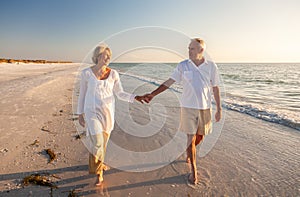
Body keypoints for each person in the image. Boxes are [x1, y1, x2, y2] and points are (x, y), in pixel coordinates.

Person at [142, 38, 222, 185]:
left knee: (201, 137)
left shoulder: (211, 66)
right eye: (189, 48)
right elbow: (169, 82)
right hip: (188, 107)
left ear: (201, 50)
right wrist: (153, 94)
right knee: (190, 139)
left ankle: (189, 153)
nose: (189, 51)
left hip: (205, 108)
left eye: (192, 48)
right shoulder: (183, 65)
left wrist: (219, 108)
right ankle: (193, 170)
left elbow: (215, 87)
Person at [77, 44, 144, 186]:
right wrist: (80, 113)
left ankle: (99, 163)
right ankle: (99, 172)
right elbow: (82, 94)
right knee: (98, 142)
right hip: (91, 112)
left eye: (110, 56)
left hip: (107, 112)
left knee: (104, 143)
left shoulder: (113, 74)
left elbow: (120, 93)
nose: (108, 58)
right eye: (105, 55)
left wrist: (135, 97)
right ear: (98, 56)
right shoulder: (86, 74)